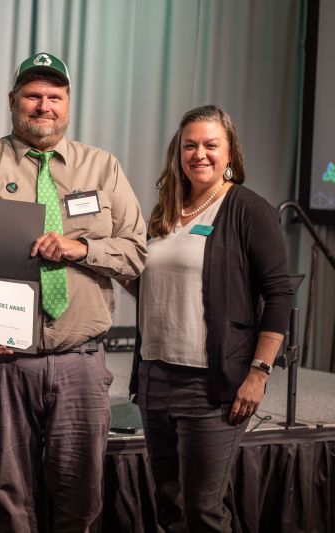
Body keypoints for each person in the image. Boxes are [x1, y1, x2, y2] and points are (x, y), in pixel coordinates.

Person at [0, 52, 147, 532]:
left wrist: (79, 248)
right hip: (4, 363)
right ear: (12, 101)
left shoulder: (102, 168)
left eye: (54, 96)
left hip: (80, 362)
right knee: (10, 497)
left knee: (80, 497)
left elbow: (135, 252)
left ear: (68, 103)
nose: (43, 105)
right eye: (32, 95)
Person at [128, 105, 292, 532]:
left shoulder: (247, 209)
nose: (199, 154)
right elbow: (151, 286)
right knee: (170, 506)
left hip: (211, 385)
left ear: (230, 153)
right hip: (154, 377)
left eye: (210, 145)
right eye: (190, 145)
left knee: (203, 511)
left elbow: (279, 294)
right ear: (177, 153)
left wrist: (259, 372)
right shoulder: (166, 210)